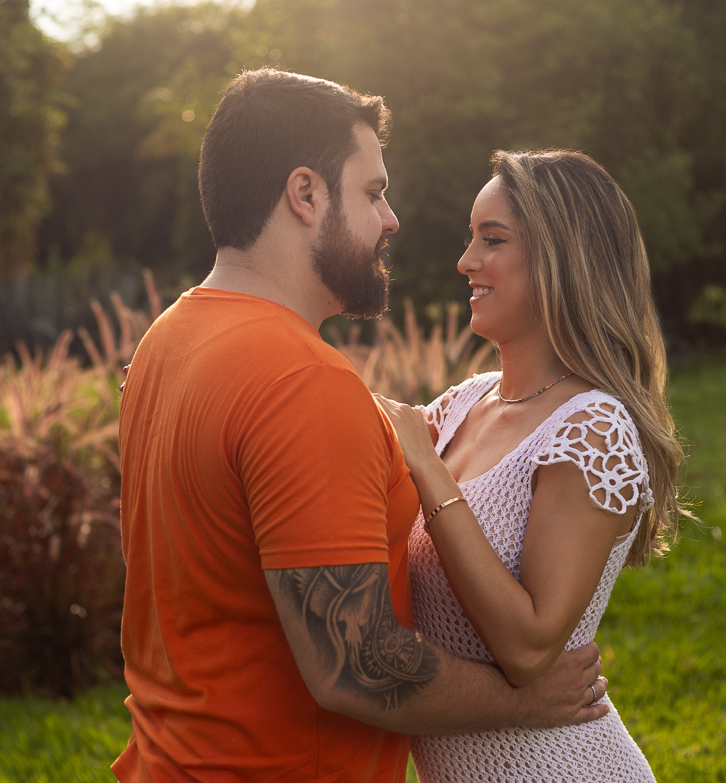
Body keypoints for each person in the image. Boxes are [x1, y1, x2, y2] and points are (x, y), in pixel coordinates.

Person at [113, 71, 610, 782]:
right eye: (373, 192)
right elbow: (356, 666)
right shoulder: (301, 380)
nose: (391, 219)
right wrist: (523, 701)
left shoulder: (166, 341)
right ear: (306, 193)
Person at [375, 149, 689, 782]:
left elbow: (528, 649)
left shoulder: (593, 430)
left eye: (492, 239)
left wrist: (427, 470)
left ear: (561, 261)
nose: (466, 261)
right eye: (471, 239)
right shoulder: (465, 403)